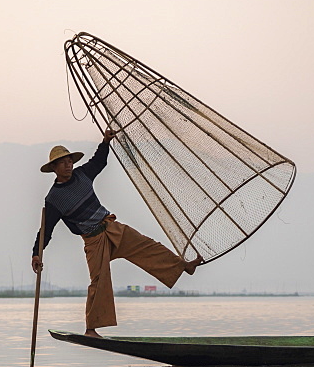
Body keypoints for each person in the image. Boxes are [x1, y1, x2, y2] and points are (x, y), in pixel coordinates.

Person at [31, 128, 202, 336]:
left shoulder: (82, 174)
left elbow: (99, 162)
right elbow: (46, 229)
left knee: (146, 245)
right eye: (63, 162)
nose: (68, 165)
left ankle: (183, 266)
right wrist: (36, 253)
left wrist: (105, 142)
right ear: (55, 168)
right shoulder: (54, 199)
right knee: (99, 281)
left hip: (111, 228)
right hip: (94, 241)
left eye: (69, 161)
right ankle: (91, 328)